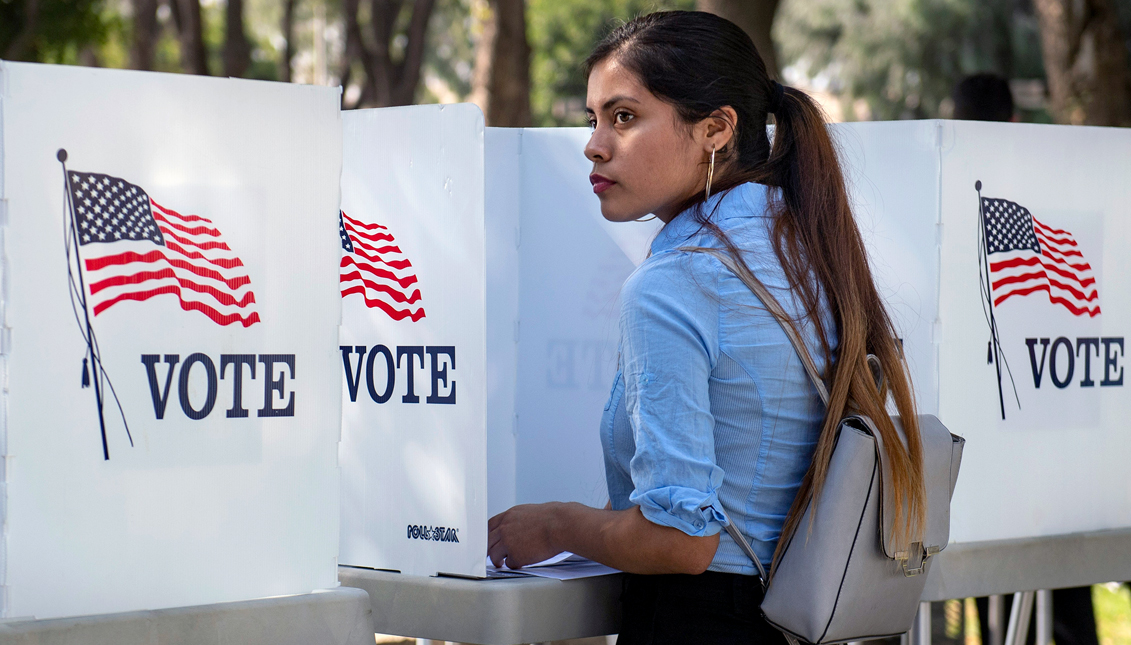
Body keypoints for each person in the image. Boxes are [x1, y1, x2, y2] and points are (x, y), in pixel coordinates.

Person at [487, 11, 927, 644]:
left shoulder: (676, 284)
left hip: (700, 620)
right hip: (798, 620)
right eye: (593, 118)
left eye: (624, 117)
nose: (593, 144)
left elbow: (683, 538)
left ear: (717, 129)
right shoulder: (807, 249)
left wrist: (556, 525)